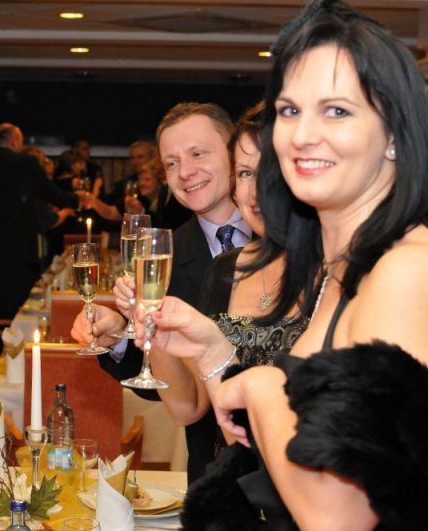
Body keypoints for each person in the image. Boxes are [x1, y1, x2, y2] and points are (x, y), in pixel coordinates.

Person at [148, 2, 428, 528]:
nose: (301, 135)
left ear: (394, 133)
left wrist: (258, 387)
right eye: (290, 110)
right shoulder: (341, 266)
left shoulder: (404, 269)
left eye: (337, 111)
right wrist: (215, 355)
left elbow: (340, 515)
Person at [73, 102, 252, 483]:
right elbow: (170, 392)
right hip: (214, 474)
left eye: (197, 154)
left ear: (234, 153)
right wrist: (121, 336)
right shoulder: (162, 256)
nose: (185, 172)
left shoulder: (292, 238)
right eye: (171, 163)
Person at [0, 123, 78, 331]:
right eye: (21, 141)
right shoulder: (26, 164)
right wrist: (77, 200)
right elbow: (50, 193)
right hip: (21, 255)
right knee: (19, 315)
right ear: (14, 140)